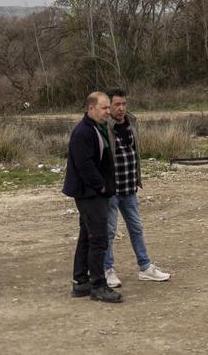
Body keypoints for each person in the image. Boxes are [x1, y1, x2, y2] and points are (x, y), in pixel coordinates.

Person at [103, 88, 171, 287]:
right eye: (117, 104)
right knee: (109, 231)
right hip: (111, 189)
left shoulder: (131, 122)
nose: (121, 108)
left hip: (129, 186)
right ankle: (107, 270)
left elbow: (134, 152)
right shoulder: (103, 126)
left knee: (136, 228)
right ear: (109, 106)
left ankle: (145, 267)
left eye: (124, 104)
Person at [64, 92, 122, 303]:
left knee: (86, 236)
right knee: (98, 238)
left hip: (94, 193)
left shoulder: (97, 128)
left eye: (108, 108)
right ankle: (98, 285)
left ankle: (81, 282)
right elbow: (85, 166)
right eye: (105, 108)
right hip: (90, 194)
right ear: (91, 108)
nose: (108, 112)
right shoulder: (83, 132)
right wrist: (103, 188)